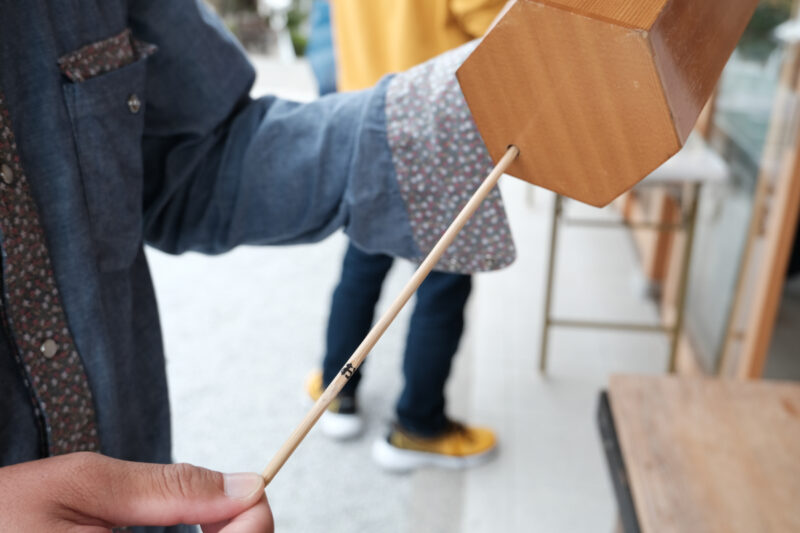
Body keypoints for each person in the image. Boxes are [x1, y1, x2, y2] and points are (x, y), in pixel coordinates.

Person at [0, 0, 513, 531]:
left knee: (360, 272)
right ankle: (419, 421)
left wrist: (419, 120)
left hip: (365, 89)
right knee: (438, 289)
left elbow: (197, 151)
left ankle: (340, 396)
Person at [305, 0, 509, 471]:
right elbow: (490, 22)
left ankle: (336, 393)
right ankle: (419, 425)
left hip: (366, 110)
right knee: (443, 279)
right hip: (439, 119)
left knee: (362, 260)